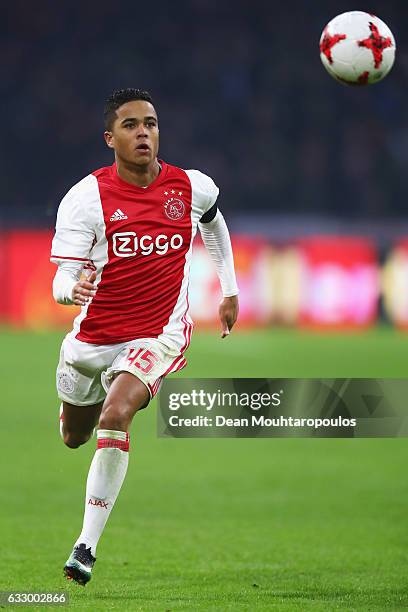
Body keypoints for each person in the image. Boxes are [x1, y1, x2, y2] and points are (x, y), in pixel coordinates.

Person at [51, 88, 239, 585]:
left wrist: (230, 288)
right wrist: (73, 286)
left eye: (151, 124)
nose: (144, 133)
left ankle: (85, 546)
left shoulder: (189, 186)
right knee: (74, 437)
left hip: (158, 333)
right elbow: (59, 279)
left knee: (118, 414)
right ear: (110, 137)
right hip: (92, 339)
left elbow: (214, 222)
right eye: (132, 125)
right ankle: (78, 407)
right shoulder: (85, 198)